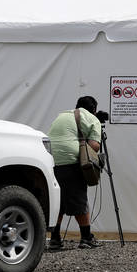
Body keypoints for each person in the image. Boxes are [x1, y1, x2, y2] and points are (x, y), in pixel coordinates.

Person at [47, 96, 103, 249]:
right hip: (71, 161)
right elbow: (94, 146)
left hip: (50, 160)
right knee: (78, 199)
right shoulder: (92, 119)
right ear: (94, 110)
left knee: (59, 201)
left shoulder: (63, 114)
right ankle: (86, 238)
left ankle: (55, 239)